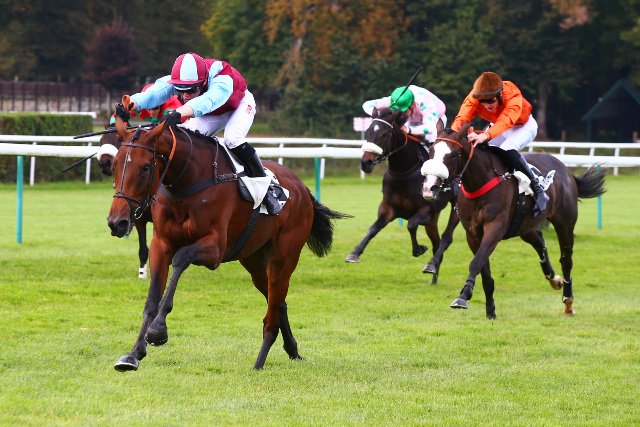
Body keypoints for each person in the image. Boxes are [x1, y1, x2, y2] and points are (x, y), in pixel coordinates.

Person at [115, 52, 281, 215]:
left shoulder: (222, 78)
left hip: (238, 105)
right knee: (185, 139)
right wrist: (130, 104)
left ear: (204, 82)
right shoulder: (179, 79)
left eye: (191, 90)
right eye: (181, 90)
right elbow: (154, 93)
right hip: (211, 112)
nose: (186, 95)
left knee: (233, 139)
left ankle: (268, 187)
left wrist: (179, 112)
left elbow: (208, 101)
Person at [451, 71, 548, 217]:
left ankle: (538, 189)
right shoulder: (474, 97)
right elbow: (462, 118)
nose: (486, 105)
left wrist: (485, 135)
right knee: (477, 148)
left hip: (522, 125)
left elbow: (506, 121)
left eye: (490, 100)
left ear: (500, 94)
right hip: (498, 125)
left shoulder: (512, 95)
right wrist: (453, 136)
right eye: (482, 101)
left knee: (506, 149)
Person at [362, 85, 447, 143]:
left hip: (435, 120)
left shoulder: (426, 103)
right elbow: (367, 105)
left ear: (412, 105)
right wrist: (377, 115)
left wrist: (408, 130)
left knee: (431, 142)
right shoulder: (394, 100)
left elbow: (429, 128)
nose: (400, 115)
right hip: (412, 120)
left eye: (403, 111)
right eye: (396, 110)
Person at [109, 83, 183, 126]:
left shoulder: (170, 104)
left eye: (155, 108)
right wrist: (114, 123)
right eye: (149, 108)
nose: (152, 112)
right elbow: (117, 116)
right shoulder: (141, 105)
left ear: (162, 104)